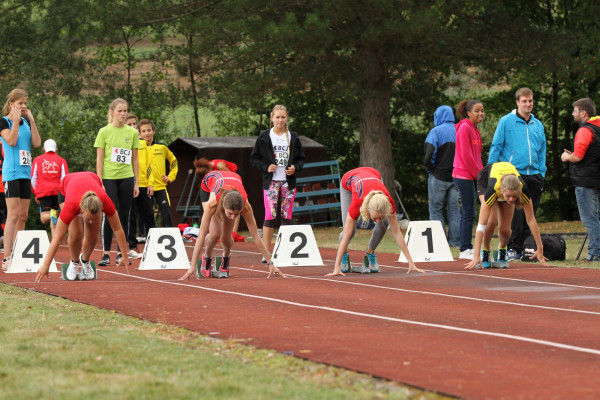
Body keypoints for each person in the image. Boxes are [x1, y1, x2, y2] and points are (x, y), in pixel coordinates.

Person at [179, 170, 284, 279]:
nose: (233, 217)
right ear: (223, 206)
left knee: (226, 238)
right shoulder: (212, 204)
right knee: (215, 234)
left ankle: (226, 258)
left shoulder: (246, 207)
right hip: (208, 183)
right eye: (230, 213)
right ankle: (207, 257)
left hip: (233, 181)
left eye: (236, 214)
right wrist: (192, 266)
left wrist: (270, 264)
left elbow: (256, 236)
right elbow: (201, 235)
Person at [327, 167, 425, 276]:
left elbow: (397, 233)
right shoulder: (357, 203)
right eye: (375, 218)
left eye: (380, 217)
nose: (377, 221)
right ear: (368, 210)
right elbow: (346, 235)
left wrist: (411, 262)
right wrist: (336, 267)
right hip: (349, 180)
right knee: (350, 231)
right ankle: (344, 255)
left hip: (373, 174)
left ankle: (370, 252)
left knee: (384, 223)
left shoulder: (389, 203)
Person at [35, 172, 130, 282]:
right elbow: (57, 238)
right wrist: (45, 265)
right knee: (76, 234)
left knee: (93, 236)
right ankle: (74, 262)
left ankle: (85, 260)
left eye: (94, 218)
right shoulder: (71, 206)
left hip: (93, 181)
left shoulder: (105, 201)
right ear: (81, 210)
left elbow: (118, 230)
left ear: (101, 209)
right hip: (67, 189)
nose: (91, 221)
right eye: (88, 218)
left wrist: (124, 255)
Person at [488, 88, 546, 260]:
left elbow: (542, 149)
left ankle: (526, 248)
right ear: (517, 102)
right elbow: (496, 146)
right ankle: (512, 248)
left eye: (530, 101)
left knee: (530, 214)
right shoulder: (506, 121)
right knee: (516, 215)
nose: (528, 104)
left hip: (535, 174)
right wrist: (490, 170)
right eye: (524, 101)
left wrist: (542, 171)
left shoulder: (538, 124)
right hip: (514, 174)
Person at [465, 162, 547, 270]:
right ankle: (485, 250)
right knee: (491, 222)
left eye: (514, 196)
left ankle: (503, 249)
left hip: (507, 181)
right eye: (508, 196)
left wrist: (540, 247)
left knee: (504, 229)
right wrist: (476, 255)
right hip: (486, 180)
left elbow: (531, 219)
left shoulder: (523, 190)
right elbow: (481, 225)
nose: (511, 200)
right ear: (501, 189)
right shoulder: (492, 189)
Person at [250, 105, 305, 262]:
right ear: (272, 118)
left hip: (288, 182)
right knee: (270, 215)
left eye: (283, 117)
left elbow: (301, 159)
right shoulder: (264, 136)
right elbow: (254, 158)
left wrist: (295, 168)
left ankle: (284, 251)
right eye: (277, 117)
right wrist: (266, 167)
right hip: (271, 182)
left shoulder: (293, 137)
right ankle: (266, 253)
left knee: (286, 216)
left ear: (287, 118)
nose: (280, 120)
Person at [94, 98, 140, 267]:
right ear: (112, 112)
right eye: (120, 111)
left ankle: (122, 253)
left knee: (124, 214)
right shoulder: (104, 132)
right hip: (109, 178)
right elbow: (99, 159)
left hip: (126, 177)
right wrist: (99, 181)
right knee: (109, 213)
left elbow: (135, 159)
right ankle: (106, 253)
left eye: (125, 110)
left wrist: (136, 182)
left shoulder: (132, 132)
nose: (123, 114)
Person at [0, 89, 42, 271]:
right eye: (20, 103)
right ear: (12, 104)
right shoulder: (4, 122)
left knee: (23, 216)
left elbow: (37, 143)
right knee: (13, 215)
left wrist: (31, 120)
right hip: (11, 174)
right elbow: (11, 141)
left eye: (25, 103)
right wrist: (16, 120)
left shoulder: (25, 122)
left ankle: (18, 254)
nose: (23, 106)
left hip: (25, 174)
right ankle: (7, 256)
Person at [561, 98, 600, 263]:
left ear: (583, 113)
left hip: (585, 181)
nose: (572, 113)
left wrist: (566, 157)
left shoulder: (585, 130)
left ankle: (595, 253)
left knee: (590, 220)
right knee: (595, 218)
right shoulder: (597, 128)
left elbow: (577, 157)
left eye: (575, 111)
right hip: (596, 178)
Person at [424, 105, 460, 247]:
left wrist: (431, 170)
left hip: (438, 176)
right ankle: (455, 242)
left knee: (435, 210)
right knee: (454, 210)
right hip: (456, 177)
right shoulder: (459, 130)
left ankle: (440, 244)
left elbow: (428, 155)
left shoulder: (436, 131)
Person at [453, 99, 484, 260]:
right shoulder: (465, 127)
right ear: (468, 113)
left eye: (482, 110)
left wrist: (481, 173)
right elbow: (466, 155)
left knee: (471, 212)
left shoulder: (475, 129)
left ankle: (468, 247)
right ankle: (464, 248)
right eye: (477, 111)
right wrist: (479, 176)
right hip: (463, 175)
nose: (481, 113)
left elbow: (477, 156)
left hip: (473, 175)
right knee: (468, 212)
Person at [193, 157, 245, 241]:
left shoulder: (220, 166)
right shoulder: (204, 170)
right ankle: (215, 229)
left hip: (233, 176)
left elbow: (231, 179)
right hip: (218, 180)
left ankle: (233, 232)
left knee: (234, 202)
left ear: (210, 171)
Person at [142, 119, 177, 228]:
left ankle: (170, 234)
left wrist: (170, 177)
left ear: (154, 131)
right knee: (147, 215)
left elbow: (174, 161)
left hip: (160, 186)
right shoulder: (138, 148)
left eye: (149, 130)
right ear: (140, 133)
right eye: (143, 131)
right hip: (145, 187)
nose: (146, 133)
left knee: (166, 213)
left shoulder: (162, 147)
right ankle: (146, 235)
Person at [31, 139, 69, 240]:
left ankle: (51, 215)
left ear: (44, 149)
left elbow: (33, 178)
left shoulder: (37, 160)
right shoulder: (61, 160)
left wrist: (36, 193)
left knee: (44, 218)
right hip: (58, 192)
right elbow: (65, 179)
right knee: (54, 217)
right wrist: (63, 194)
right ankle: (55, 242)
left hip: (43, 191)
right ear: (56, 149)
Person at [125, 113, 151, 252]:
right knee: (131, 215)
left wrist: (150, 183)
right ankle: (132, 246)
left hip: (144, 184)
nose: (133, 127)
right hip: (130, 183)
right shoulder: (123, 141)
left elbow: (149, 164)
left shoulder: (144, 143)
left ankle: (153, 245)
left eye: (135, 124)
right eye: (129, 124)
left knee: (149, 215)